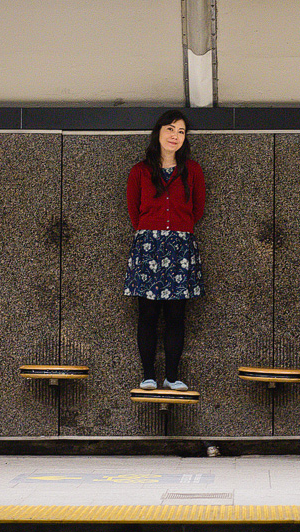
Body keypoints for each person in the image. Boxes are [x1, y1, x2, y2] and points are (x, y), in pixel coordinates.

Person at [124, 110, 205, 392]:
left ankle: (172, 376)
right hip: (148, 245)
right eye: (171, 129)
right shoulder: (140, 171)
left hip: (181, 247)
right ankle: (148, 375)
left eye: (181, 132)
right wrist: (153, 231)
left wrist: (176, 232)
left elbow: (198, 209)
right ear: (158, 132)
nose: (175, 136)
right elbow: (135, 212)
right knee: (147, 313)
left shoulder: (192, 170)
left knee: (176, 314)